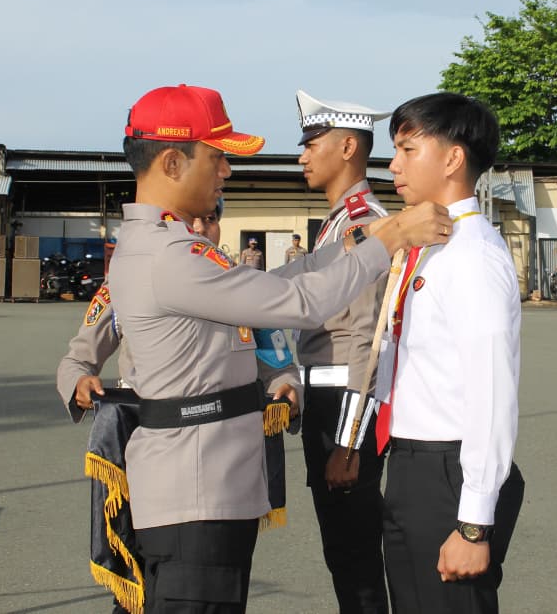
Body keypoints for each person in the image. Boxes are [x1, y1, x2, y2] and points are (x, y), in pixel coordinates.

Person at [100, 83, 452, 614]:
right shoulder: (170, 255)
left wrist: (361, 242)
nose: (227, 172)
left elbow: (329, 312)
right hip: (197, 485)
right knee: (349, 561)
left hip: (213, 472)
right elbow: (294, 301)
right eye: (218, 158)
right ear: (172, 162)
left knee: (352, 557)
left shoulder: (167, 245)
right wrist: (391, 236)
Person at [55, 201, 301, 614]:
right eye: (193, 220)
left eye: (212, 219)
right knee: (139, 583)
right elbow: (78, 358)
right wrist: (79, 382)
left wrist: (287, 389)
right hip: (148, 451)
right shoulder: (132, 279)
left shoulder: (240, 284)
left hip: (219, 463)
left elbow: (279, 364)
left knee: (206, 585)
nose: (203, 229)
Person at [375, 92, 524, 614]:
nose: (393, 165)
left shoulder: (471, 255)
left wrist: (473, 522)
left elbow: (491, 392)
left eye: (407, 149)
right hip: (414, 463)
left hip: (449, 470)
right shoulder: (429, 241)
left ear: (454, 158)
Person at [291, 89, 392, 613]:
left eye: (312, 142)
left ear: (348, 146)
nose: (302, 154)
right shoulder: (337, 222)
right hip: (326, 406)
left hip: (344, 412)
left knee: (357, 564)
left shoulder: (362, 223)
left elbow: (366, 338)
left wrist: (349, 442)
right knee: (345, 559)